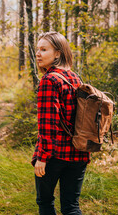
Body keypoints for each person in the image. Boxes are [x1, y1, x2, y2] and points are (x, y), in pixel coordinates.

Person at [31, 32, 90, 215]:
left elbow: (48, 124)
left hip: (55, 155)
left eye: (44, 49)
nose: (38, 54)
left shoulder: (49, 80)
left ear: (57, 53)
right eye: (37, 50)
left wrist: (42, 157)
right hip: (79, 152)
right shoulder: (74, 77)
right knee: (71, 206)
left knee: (45, 202)